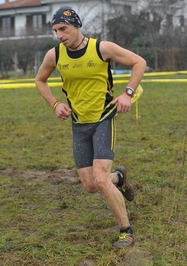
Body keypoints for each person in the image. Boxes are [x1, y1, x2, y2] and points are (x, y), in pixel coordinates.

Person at [35, 7, 146, 247]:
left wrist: (127, 94)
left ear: (76, 26)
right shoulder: (54, 55)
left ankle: (126, 231)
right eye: (55, 31)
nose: (59, 35)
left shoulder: (101, 48)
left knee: (100, 178)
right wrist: (54, 104)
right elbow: (39, 80)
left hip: (104, 117)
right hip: (78, 123)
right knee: (89, 185)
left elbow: (139, 62)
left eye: (63, 29)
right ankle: (120, 178)